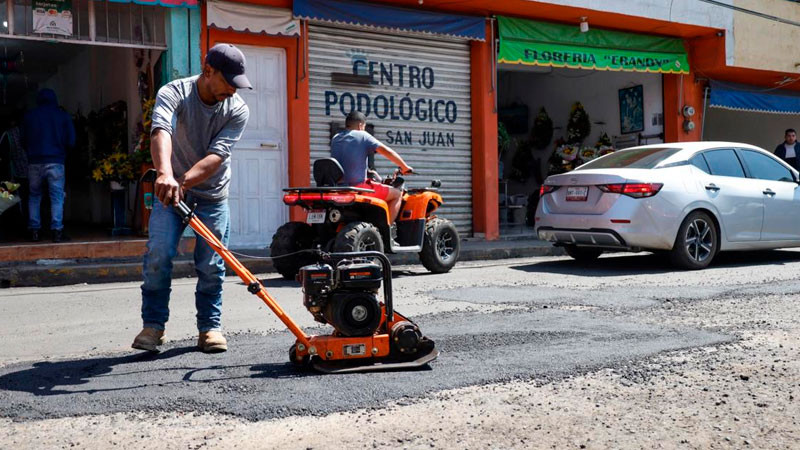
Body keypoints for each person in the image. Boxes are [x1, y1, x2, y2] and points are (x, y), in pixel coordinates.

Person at [132, 44, 251, 354]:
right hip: (170, 192)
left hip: (211, 196)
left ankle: (210, 328)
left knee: (212, 264)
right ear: (208, 71)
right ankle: (153, 326)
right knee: (158, 255)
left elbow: (217, 157)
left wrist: (179, 182)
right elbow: (161, 131)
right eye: (229, 82)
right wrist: (165, 174)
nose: (233, 91)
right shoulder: (174, 92)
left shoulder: (237, 109)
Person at [330, 111, 413, 222]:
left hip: (339, 189)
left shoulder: (336, 138)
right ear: (360, 125)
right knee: (397, 194)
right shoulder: (362, 135)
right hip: (359, 188)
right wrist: (404, 166)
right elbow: (386, 151)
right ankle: (386, 233)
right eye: (364, 126)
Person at [22, 89, 75, 243]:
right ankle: (57, 232)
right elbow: (71, 140)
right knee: (57, 197)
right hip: (56, 161)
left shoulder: (29, 116)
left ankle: (34, 231)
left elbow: (22, 140)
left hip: (34, 162)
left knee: (34, 196)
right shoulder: (62, 116)